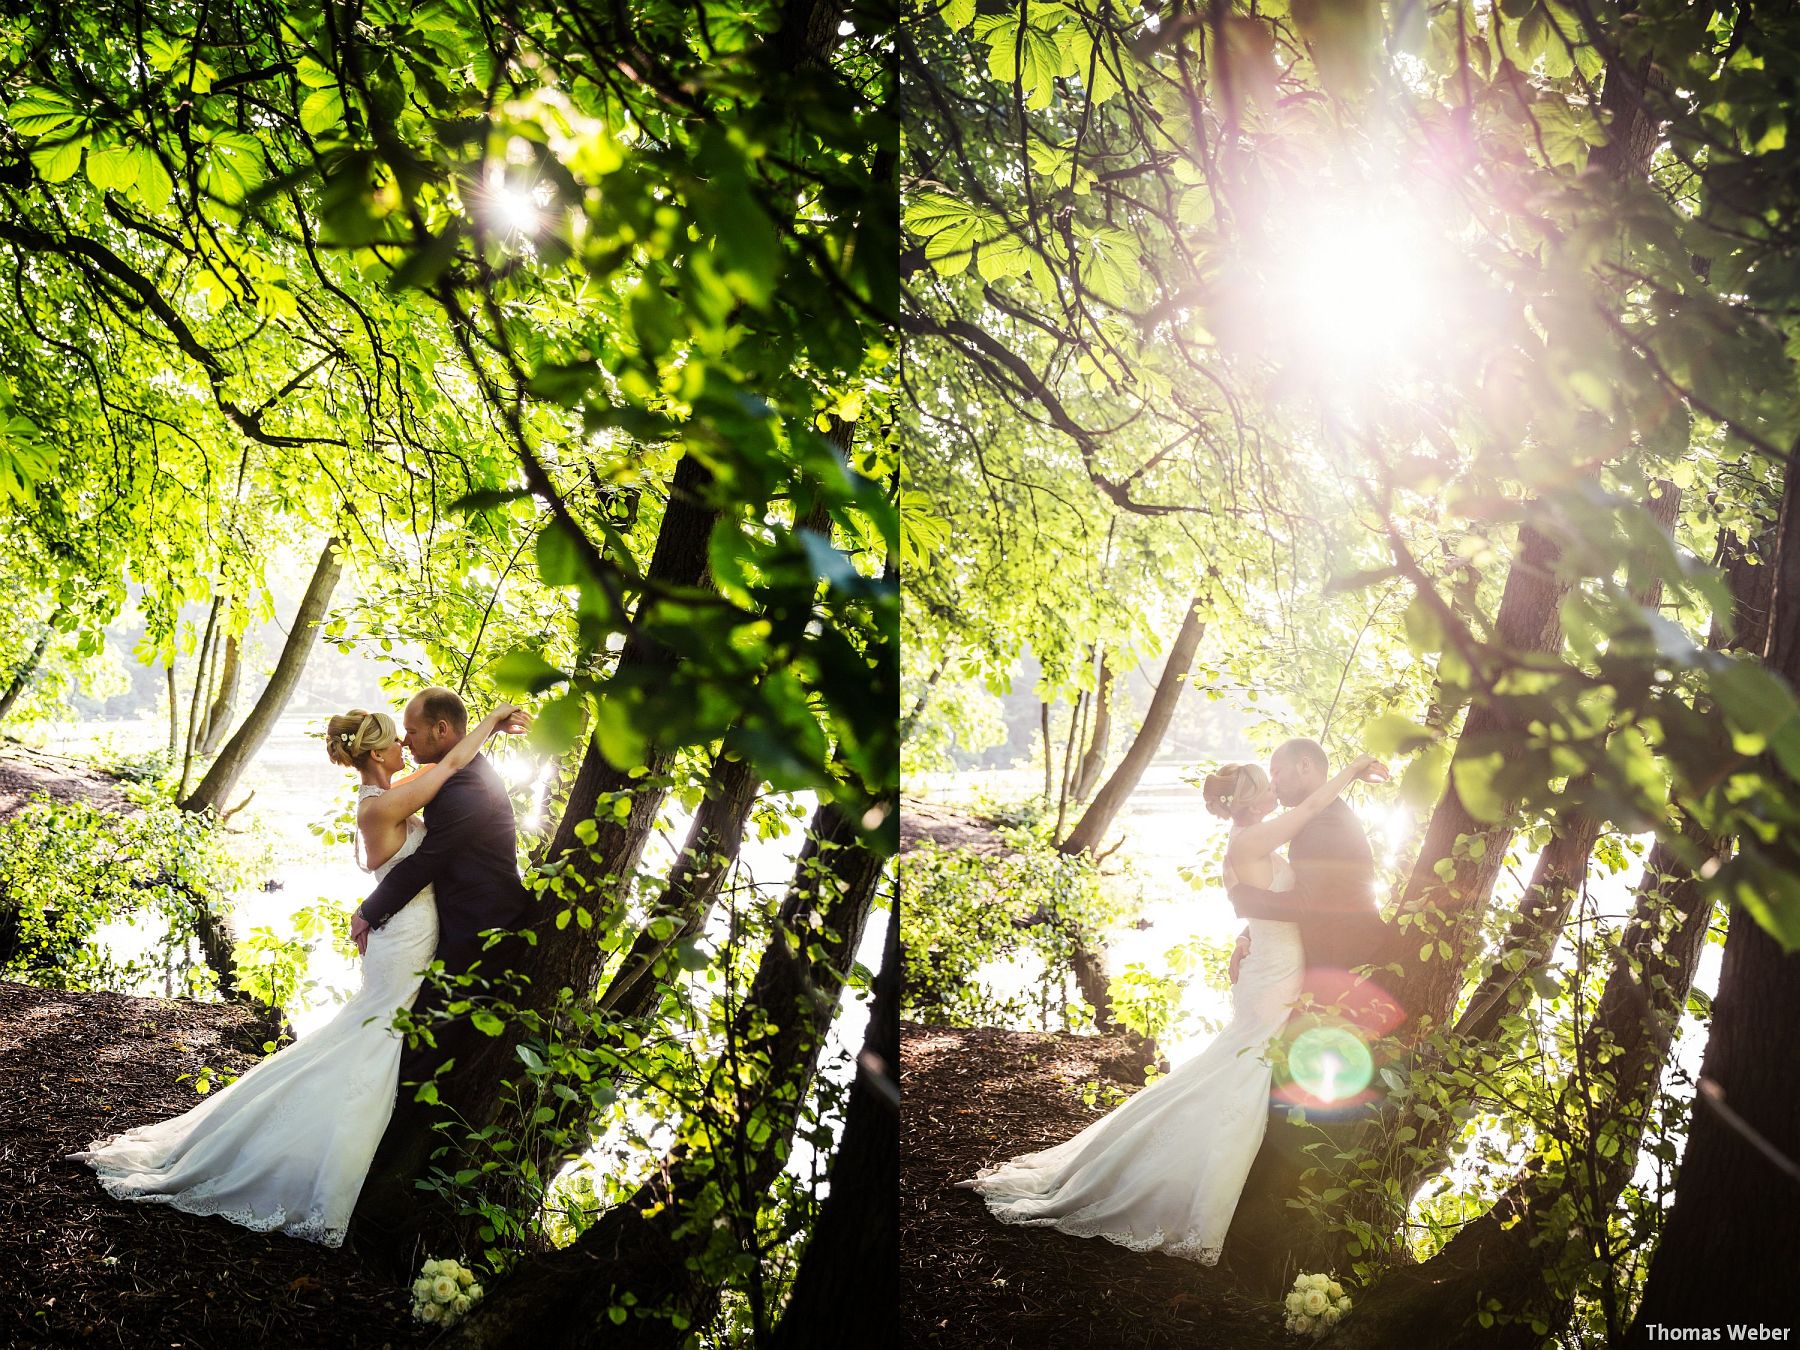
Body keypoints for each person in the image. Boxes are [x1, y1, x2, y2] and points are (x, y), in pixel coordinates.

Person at [64, 700, 528, 1247]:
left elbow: (451, 784)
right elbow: (443, 796)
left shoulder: (396, 794)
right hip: (403, 940)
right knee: (379, 1038)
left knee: (370, 1037)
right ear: (378, 753)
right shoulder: (381, 805)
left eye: (411, 733)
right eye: (398, 738)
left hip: (415, 933)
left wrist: (489, 730)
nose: (406, 743)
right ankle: (322, 1157)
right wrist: (492, 719)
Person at [956, 750, 1386, 1264]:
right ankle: (1178, 1184)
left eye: (1275, 776)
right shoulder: (1252, 839)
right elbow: (1316, 803)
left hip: (1273, 967)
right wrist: (1356, 766)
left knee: (1227, 1068)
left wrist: (1244, 935)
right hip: (1273, 976)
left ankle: (1167, 1164)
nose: (1276, 787)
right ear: (1253, 799)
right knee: (1241, 1072)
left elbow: (1279, 895)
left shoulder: (1251, 839)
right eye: (1267, 781)